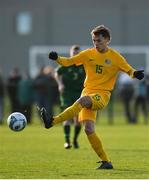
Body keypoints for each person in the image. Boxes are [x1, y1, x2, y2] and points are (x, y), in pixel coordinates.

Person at [38, 25, 144, 169]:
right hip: (87, 91)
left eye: (99, 40)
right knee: (88, 129)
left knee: (82, 101)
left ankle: (52, 121)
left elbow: (129, 70)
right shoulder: (88, 54)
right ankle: (106, 162)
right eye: (94, 40)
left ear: (107, 40)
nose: (96, 43)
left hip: (102, 95)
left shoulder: (115, 57)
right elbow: (69, 61)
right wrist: (57, 58)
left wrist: (136, 74)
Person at [55, 45, 85, 149]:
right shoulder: (66, 64)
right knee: (67, 117)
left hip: (79, 93)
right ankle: (67, 141)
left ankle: (75, 140)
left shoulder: (84, 65)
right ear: (70, 53)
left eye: (77, 53)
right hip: (67, 93)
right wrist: (60, 84)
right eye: (74, 53)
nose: (75, 54)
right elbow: (57, 73)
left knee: (78, 120)